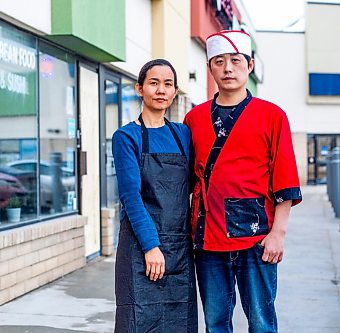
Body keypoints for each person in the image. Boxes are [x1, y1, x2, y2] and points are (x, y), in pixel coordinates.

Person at [184, 30, 302, 333]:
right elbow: (184, 179)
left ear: (249, 66)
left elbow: (285, 179)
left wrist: (279, 234)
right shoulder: (194, 118)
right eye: (219, 61)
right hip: (207, 237)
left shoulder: (272, 116)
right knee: (215, 322)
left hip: (257, 236)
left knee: (262, 323)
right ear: (210, 67)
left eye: (235, 61)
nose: (227, 69)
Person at [113, 59, 197, 332]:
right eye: (153, 83)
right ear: (140, 89)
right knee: (137, 321)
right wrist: (151, 246)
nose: (161, 90)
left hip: (180, 249)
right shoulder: (127, 137)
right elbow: (131, 197)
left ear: (174, 92)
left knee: (178, 323)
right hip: (140, 246)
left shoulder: (183, 134)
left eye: (168, 84)